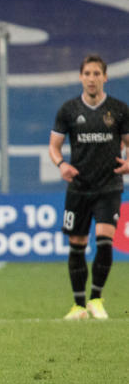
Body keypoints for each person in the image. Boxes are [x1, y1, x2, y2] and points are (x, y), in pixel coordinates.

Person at [49, 54, 129, 321]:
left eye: (97, 74)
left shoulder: (118, 110)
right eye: (87, 74)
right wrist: (61, 165)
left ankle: (96, 299)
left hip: (109, 186)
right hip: (79, 188)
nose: (92, 79)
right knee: (77, 244)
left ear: (105, 77)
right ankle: (79, 306)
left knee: (105, 240)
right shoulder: (69, 110)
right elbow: (54, 146)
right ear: (81, 77)